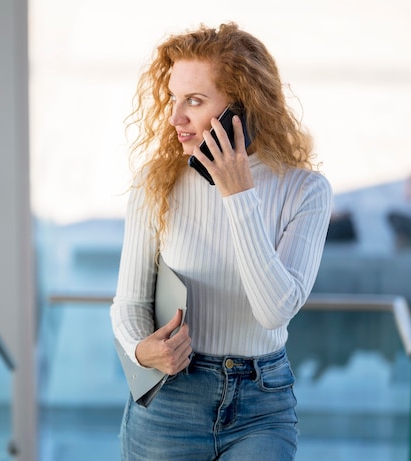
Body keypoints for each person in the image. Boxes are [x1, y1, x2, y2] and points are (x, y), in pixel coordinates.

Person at [110, 22, 332, 460]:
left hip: (262, 404)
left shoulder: (306, 192)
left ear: (242, 107)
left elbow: (273, 311)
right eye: (174, 98)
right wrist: (143, 350)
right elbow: (129, 303)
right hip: (172, 400)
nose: (176, 117)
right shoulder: (157, 184)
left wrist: (237, 194)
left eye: (194, 101)